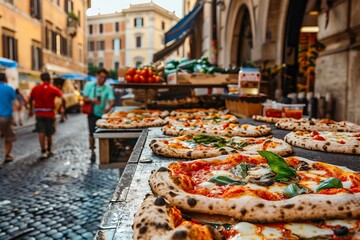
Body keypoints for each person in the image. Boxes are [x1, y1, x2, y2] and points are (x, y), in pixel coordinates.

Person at [29, 72, 66, 159]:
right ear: (50, 79)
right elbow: (62, 98)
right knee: (49, 133)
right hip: (50, 113)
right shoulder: (53, 89)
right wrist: (62, 108)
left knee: (41, 132)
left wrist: (30, 110)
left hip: (39, 113)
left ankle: (43, 151)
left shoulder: (35, 88)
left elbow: (30, 99)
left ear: (41, 79)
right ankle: (49, 150)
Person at [83, 68, 115, 161]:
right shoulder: (89, 85)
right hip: (92, 113)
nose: (103, 79)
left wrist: (108, 108)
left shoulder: (107, 88)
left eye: (105, 77)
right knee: (91, 133)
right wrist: (91, 100)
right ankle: (92, 151)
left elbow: (111, 100)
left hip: (103, 114)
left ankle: (106, 153)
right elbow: (84, 98)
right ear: (97, 76)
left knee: (105, 133)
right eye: (101, 77)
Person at [0, 73, 16, 164]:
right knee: (8, 138)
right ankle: (7, 155)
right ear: (5, 79)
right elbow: (16, 103)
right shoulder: (9, 88)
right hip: (6, 117)